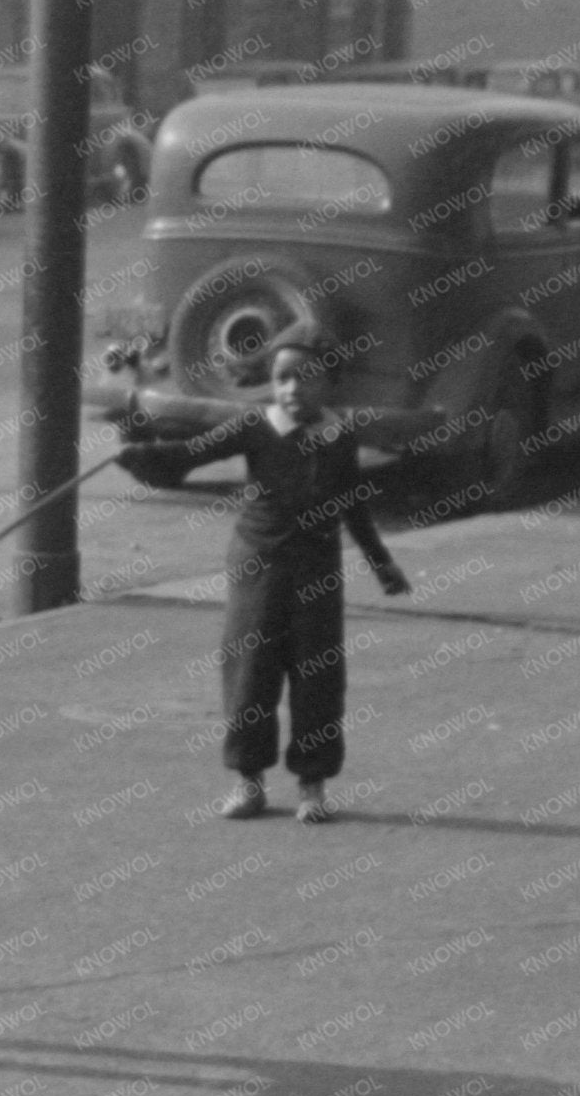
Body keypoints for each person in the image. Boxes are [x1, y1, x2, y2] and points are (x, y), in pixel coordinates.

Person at [157, 325, 410, 823]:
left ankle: (312, 786)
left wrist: (382, 564)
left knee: (317, 676)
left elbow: (353, 505)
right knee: (251, 671)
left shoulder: (338, 437)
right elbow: (192, 455)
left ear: (329, 384)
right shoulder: (256, 427)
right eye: (282, 377)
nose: (293, 388)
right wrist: (143, 459)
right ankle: (248, 783)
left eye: (306, 378)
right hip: (258, 566)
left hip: (317, 570)